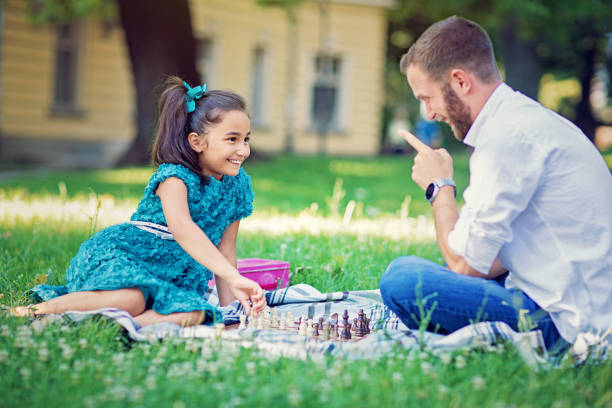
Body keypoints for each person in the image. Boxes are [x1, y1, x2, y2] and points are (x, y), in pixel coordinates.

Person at [379, 16, 612, 352]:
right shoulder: (523, 121)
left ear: (459, 81)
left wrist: (439, 186)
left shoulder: (506, 140)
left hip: (569, 324)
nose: (429, 113)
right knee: (435, 270)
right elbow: (489, 258)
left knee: (401, 278)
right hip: (578, 301)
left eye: (428, 97)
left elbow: (465, 265)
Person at [12, 76, 267, 326]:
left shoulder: (237, 185)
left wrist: (230, 315)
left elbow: (226, 251)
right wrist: (234, 277)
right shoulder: (175, 178)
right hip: (125, 257)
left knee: (196, 314)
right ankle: (32, 312)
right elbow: (183, 230)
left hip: (172, 277)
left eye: (246, 139)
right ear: (197, 142)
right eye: (232, 139)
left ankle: (119, 329)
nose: (243, 150)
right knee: (131, 299)